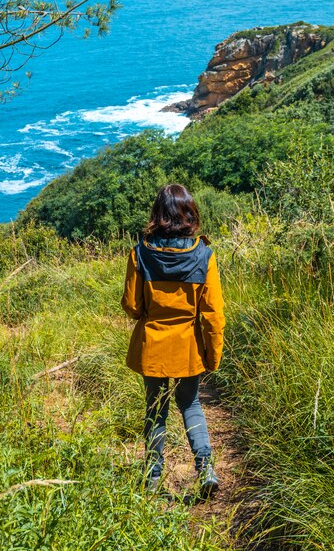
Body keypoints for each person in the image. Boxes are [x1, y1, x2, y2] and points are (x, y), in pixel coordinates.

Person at [121, 183, 225, 498]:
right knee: (190, 404)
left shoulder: (140, 252)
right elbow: (214, 315)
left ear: (158, 215)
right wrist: (213, 357)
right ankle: (206, 469)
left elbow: (132, 306)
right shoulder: (204, 255)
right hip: (189, 347)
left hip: (152, 346)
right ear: (189, 213)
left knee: (155, 409)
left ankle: (152, 479)